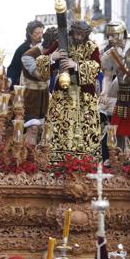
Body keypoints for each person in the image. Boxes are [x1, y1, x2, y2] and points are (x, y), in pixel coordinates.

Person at [44, 20, 102, 162]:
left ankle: (86, 160)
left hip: (85, 94)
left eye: (81, 35)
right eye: (76, 34)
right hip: (63, 92)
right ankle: (58, 157)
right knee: (61, 122)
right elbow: (41, 63)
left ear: (86, 35)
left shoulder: (92, 47)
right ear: (71, 32)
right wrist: (53, 58)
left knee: (85, 126)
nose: (78, 37)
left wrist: (76, 65)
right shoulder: (61, 44)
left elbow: (96, 67)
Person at [20, 27, 59, 120]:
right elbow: (41, 76)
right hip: (31, 99)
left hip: (45, 98)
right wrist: (50, 59)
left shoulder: (56, 53)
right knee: (32, 127)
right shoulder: (28, 56)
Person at [8, 20, 45, 88]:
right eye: (37, 33)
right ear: (30, 34)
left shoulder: (46, 47)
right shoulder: (22, 49)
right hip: (26, 85)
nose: (40, 35)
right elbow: (14, 67)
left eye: (41, 32)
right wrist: (10, 81)